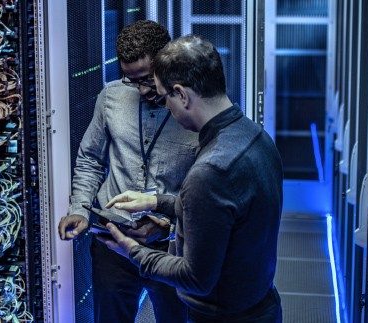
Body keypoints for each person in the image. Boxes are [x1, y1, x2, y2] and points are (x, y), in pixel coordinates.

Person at [101, 35, 284, 322]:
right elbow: (225, 215)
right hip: (261, 305)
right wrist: (156, 201)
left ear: (182, 95)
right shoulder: (256, 136)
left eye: (164, 98)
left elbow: (195, 278)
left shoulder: (210, 170)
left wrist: (133, 251)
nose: (166, 109)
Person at [57, 21, 198, 323]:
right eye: (131, 80)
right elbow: (90, 159)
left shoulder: (194, 108)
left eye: (147, 79)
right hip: (113, 240)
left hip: (171, 248)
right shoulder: (111, 98)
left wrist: (169, 225)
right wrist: (80, 208)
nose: (141, 90)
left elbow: (206, 187)